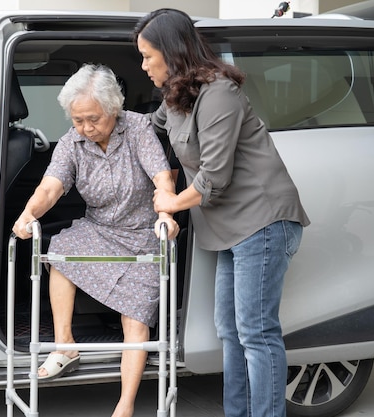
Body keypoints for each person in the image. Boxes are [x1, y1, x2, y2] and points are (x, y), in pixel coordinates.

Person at [134, 9, 310, 417]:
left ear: (172, 52)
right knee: (231, 333)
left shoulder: (219, 94)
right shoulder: (176, 97)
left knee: (256, 332)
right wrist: (98, 122)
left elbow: (215, 175)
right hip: (229, 228)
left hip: (262, 221)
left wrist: (171, 202)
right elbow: (147, 127)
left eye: (147, 56)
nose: (143, 65)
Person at [12, 63, 178, 417]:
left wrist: (166, 213)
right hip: (99, 229)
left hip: (142, 233)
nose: (85, 128)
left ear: (113, 109)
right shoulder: (73, 143)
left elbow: (162, 177)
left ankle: (125, 406)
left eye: (93, 119)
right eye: (77, 120)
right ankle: (65, 345)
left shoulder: (137, 129)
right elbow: (51, 186)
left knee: (134, 319)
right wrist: (29, 214)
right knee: (60, 252)